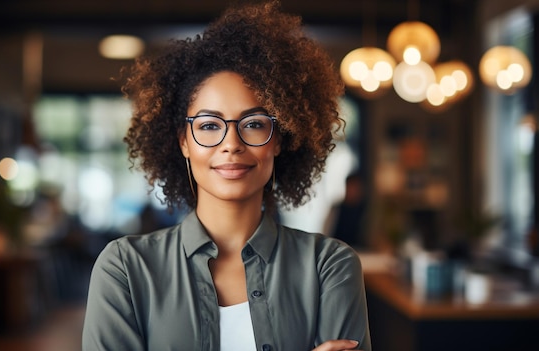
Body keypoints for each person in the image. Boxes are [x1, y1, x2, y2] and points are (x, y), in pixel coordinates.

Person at [82, 1, 371, 350]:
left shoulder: (329, 267)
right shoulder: (125, 269)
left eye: (253, 124)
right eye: (208, 125)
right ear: (184, 142)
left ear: (278, 140)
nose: (231, 144)